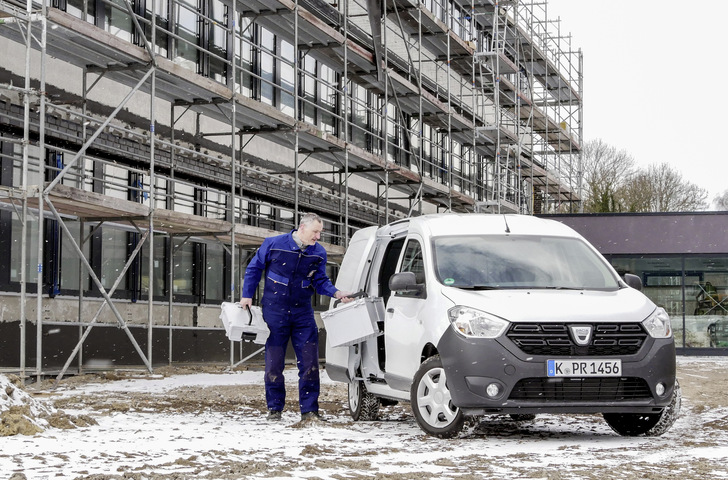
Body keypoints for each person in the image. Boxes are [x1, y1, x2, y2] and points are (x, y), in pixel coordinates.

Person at [240, 213, 351, 422]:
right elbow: (254, 268)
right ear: (302, 228)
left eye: (320, 232)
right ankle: (274, 408)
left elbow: (320, 280)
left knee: (309, 362)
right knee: (274, 363)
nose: (318, 237)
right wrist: (247, 295)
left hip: (303, 312)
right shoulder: (274, 244)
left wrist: (336, 293)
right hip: (274, 311)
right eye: (315, 232)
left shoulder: (318, 252)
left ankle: (309, 411)